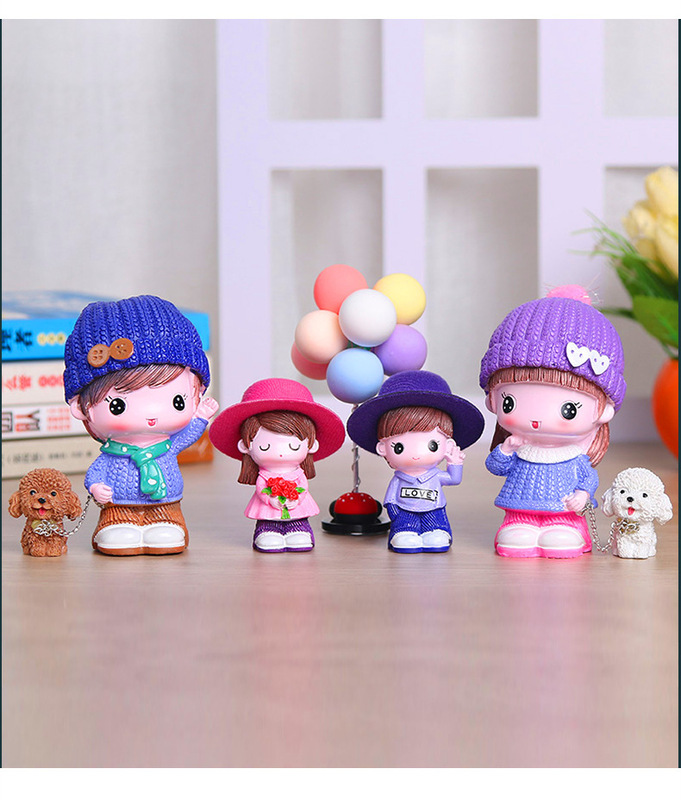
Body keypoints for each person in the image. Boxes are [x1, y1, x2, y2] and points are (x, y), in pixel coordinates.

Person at [479, 285, 626, 558]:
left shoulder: (573, 456)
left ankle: (565, 528)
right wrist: (506, 450)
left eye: (568, 409)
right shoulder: (518, 446)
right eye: (510, 402)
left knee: (561, 535)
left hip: (563, 511)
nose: (537, 419)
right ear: (492, 400)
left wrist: (582, 495)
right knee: (517, 533)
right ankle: (519, 525)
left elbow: (588, 478)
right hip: (519, 506)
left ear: (603, 410)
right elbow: (496, 466)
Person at [64, 295, 218, 555]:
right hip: (118, 505)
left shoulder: (166, 446)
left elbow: (188, 436)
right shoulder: (112, 453)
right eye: (118, 405)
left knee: (166, 529)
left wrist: (201, 417)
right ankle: (116, 525)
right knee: (117, 530)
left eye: (177, 401)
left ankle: (166, 523)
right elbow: (96, 472)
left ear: (197, 393)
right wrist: (95, 487)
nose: (151, 414)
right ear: (81, 407)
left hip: (165, 502)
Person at [347, 370, 484, 554]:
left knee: (436, 532)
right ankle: (404, 531)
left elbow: (453, 479)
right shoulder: (399, 479)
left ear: (448, 445)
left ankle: (437, 531)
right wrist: (395, 513)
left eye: (432, 445)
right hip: (405, 513)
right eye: (399, 447)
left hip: (434, 511)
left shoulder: (435, 476)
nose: (417, 454)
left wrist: (455, 463)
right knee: (405, 533)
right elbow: (391, 500)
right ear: (383, 448)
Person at [209, 378, 345, 552]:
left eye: (293, 446)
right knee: (268, 522)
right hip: (270, 506)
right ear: (245, 446)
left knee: (298, 522)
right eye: (265, 447)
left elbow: (302, 486)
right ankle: (267, 530)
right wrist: (270, 499)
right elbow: (261, 489)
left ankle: (298, 529)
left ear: (312, 445)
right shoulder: (264, 475)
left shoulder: (298, 473)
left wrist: (297, 499)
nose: (281, 452)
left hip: (295, 505)